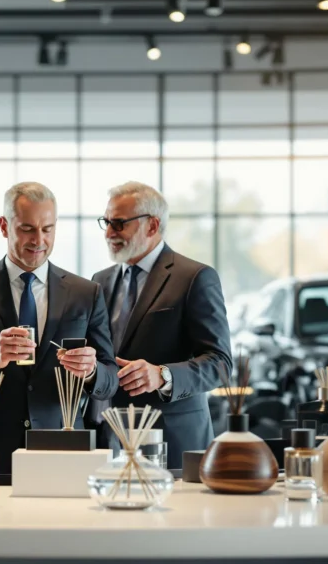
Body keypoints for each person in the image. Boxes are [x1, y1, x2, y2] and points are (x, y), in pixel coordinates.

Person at [0, 182, 118, 474]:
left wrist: (92, 370)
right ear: (4, 226)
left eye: (48, 229)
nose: (39, 240)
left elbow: (111, 379)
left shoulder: (87, 293)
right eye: (27, 229)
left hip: (64, 448)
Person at [87, 182, 232, 469]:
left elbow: (220, 363)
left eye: (118, 224)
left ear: (152, 226)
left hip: (172, 439)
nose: (108, 233)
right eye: (106, 222)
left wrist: (162, 375)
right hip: (106, 437)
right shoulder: (99, 281)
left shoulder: (195, 277)